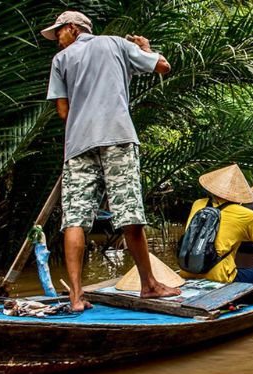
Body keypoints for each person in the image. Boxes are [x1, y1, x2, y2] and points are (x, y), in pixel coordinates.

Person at [42, 10, 179, 308]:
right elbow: (162, 66)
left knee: (74, 218)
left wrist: (84, 124)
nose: (57, 40)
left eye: (59, 33)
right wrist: (145, 48)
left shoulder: (60, 61)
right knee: (129, 211)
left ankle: (76, 295)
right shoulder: (116, 44)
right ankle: (150, 284)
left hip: (78, 144)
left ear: (74, 29)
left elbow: (63, 112)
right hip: (116, 136)